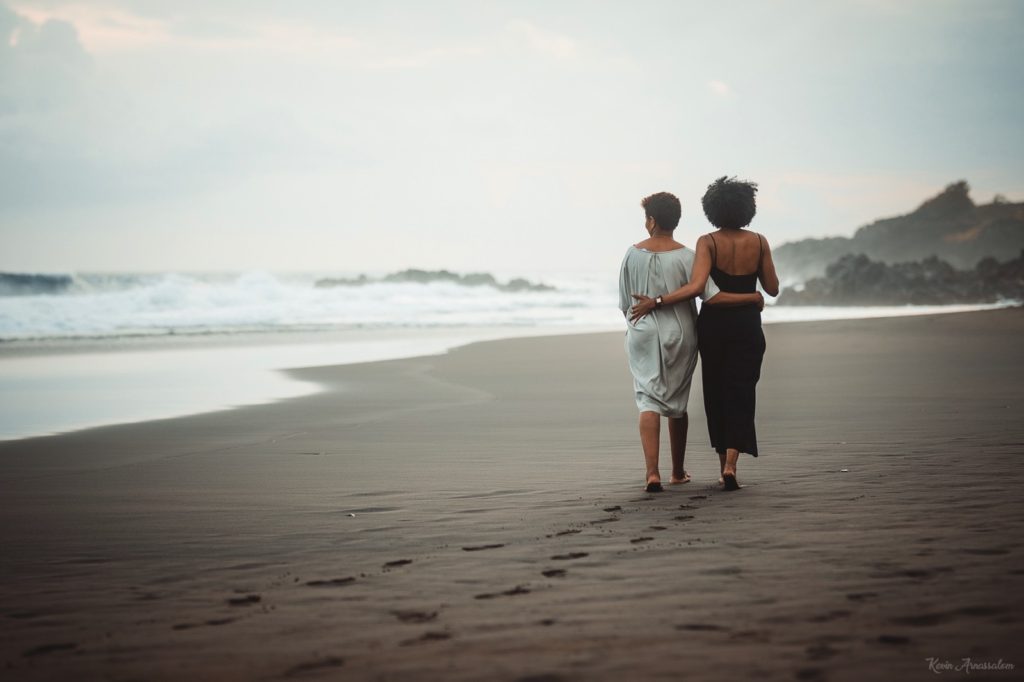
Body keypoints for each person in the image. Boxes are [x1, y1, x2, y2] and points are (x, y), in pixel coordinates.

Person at [630, 177, 779, 491]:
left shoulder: (707, 242)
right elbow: (773, 288)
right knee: (741, 393)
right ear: (747, 208)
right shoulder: (761, 242)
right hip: (747, 326)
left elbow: (699, 290)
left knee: (716, 392)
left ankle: (717, 459)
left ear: (712, 209)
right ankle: (730, 466)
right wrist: (752, 294)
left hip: (714, 327)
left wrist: (656, 302)